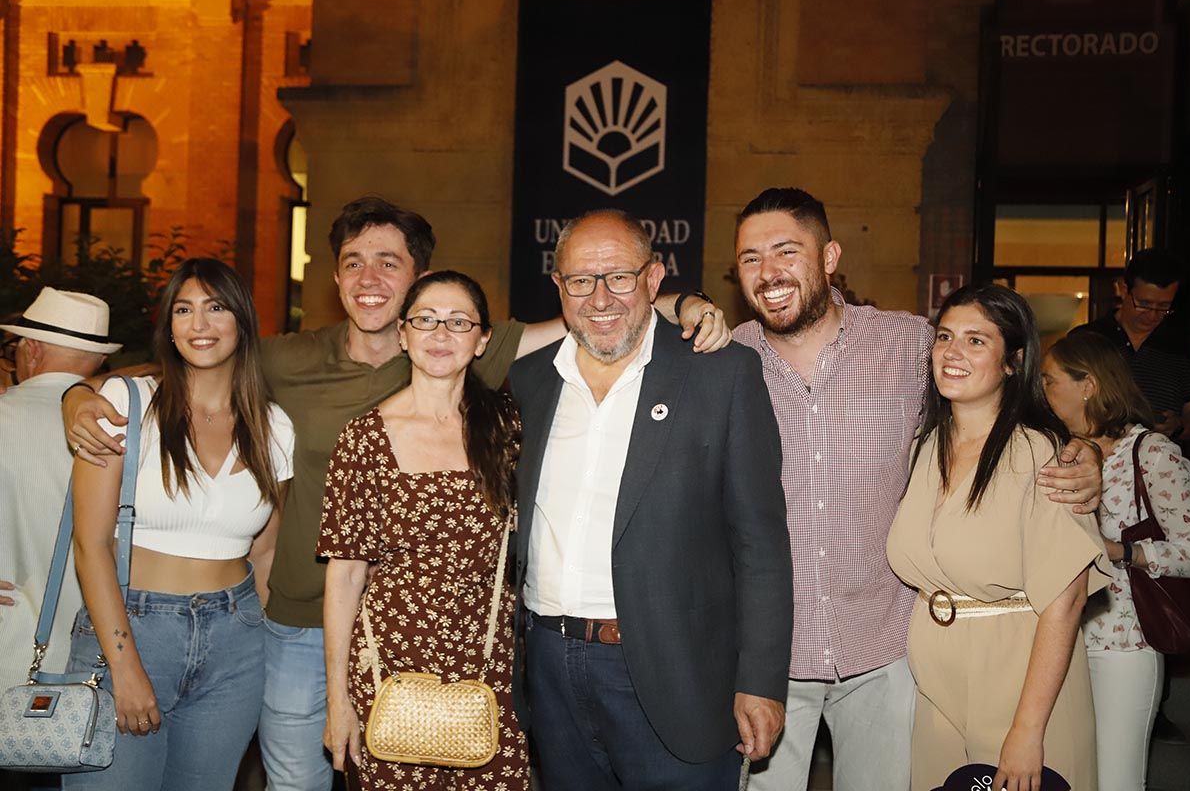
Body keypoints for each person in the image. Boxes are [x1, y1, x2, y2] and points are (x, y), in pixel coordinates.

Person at [58, 197, 730, 791]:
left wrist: (687, 304)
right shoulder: (291, 359)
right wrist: (80, 391)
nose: (369, 279)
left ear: (423, 285)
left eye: (388, 262)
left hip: (473, 657)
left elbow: (600, 307)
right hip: (298, 627)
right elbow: (200, 351)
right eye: (353, 263)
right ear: (338, 279)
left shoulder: (485, 375)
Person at [729, 187, 1102, 791]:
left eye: (785, 251)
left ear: (829, 257)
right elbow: (642, 306)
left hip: (888, 651)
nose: (768, 272)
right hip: (767, 656)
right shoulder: (727, 357)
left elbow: (996, 385)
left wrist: (1082, 453)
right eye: (749, 258)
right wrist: (687, 302)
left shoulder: (910, 345)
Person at [508, 210, 793, 790]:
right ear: (558, 287)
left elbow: (760, 542)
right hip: (548, 668)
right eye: (581, 280)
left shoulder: (722, 375)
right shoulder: (528, 382)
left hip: (674, 672)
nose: (600, 297)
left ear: (655, 279)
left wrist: (761, 680)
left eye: (619, 276)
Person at [62, 258, 294, 791]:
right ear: (168, 326)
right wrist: (124, 667)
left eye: (216, 308)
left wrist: (265, 654)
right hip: (134, 625)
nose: (199, 324)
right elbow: (91, 545)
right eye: (184, 310)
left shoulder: (274, 426)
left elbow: (263, 555)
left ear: (241, 321)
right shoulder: (126, 404)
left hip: (236, 642)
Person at [886, 284, 1109, 791]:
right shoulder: (924, 446)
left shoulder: (1041, 454)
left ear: (1014, 361)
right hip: (936, 691)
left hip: (1020, 683)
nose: (953, 353)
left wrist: (1029, 730)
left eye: (976, 340)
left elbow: (1068, 598)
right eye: (944, 337)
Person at [319, 270, 526, 789]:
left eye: (459, 322)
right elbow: (344, 578)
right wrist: (338, 701)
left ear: (482, 341)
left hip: (488, 667)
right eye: (426, 320)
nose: (440, 335)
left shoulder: (508, 429)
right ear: (402, 334)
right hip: (388, 669)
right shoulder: (364, 438)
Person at [1043, 330, 1190, 791]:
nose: (1042, 390)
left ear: (1087, 384)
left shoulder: (1149, 453)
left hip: (1124, 643)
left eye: (1050, 380)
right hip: (1056, 642)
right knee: (1064, 775)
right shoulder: (1051, 450)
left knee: (1116, 780)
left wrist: (1120, 551)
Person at [0, 289, 119, 791]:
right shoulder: (127, 425)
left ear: (29, 349)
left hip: (9, 646)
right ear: (96, 360)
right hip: (107, 651)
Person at [1074, 247, 1190, 441]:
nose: (1152, 315)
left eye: (1164, 307)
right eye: (1144, 303)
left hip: (1160, 462)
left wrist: (1180, 425)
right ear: (1124, 289)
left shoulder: (1182, 349)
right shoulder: (1086, 339)